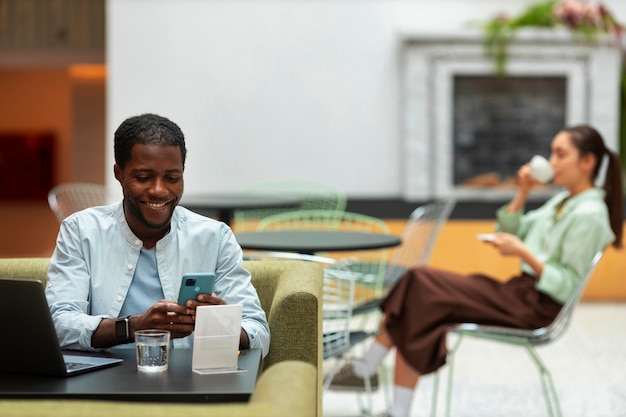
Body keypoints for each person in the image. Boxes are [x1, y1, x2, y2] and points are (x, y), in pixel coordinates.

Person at [330, 125, 623, 417]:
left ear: (587, 162)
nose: (551, 162)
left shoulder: (589, 215)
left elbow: (565, 284)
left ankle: (367, 369)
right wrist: (523, 191)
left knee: (421, 283)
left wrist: (523, 252)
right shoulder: (563, 201)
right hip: (518, 292)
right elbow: (514, 228)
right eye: (552, 153)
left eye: (561, 154)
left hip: (536, 306)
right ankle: (383, 392)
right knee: (423, 301)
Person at [46, 113, 270, 356]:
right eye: (143, 178)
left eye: (172, 178)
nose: (159, 190)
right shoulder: (81, 231)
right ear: (118, 173)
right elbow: (57, 324)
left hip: (188, 382)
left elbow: (258, 332)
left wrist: (219, 325)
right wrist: (134, 327)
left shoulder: (214, 238)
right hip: (101, 378)